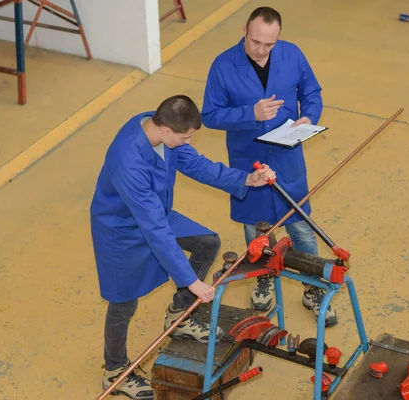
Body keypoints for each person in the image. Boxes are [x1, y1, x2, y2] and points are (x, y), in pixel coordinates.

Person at [90, 95, 275, 399]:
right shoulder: (128, 161)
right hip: (121, 230)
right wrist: (191, 281)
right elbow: (155, 231)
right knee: (123, 302)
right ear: (166, 132)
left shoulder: (157, 126)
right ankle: (115, 370)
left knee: (207, 242)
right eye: (185, 137)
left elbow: (196, 164)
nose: (187, 142)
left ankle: (179, 315)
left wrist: (246, 180)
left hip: (156, 213)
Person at [201, 6, 337, 327]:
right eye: (255, 42)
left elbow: (312, 92)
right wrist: (250, 114)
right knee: (257, 231)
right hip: (250, 163)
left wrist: (309, 117)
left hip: (288, 159)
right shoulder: (223, 66)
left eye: (269, 44)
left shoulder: (292, 55)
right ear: (245, 32)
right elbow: (210, 115)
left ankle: (312, 288)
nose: (261, 50)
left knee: (301, 228)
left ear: (279, 38)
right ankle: (263, 276)